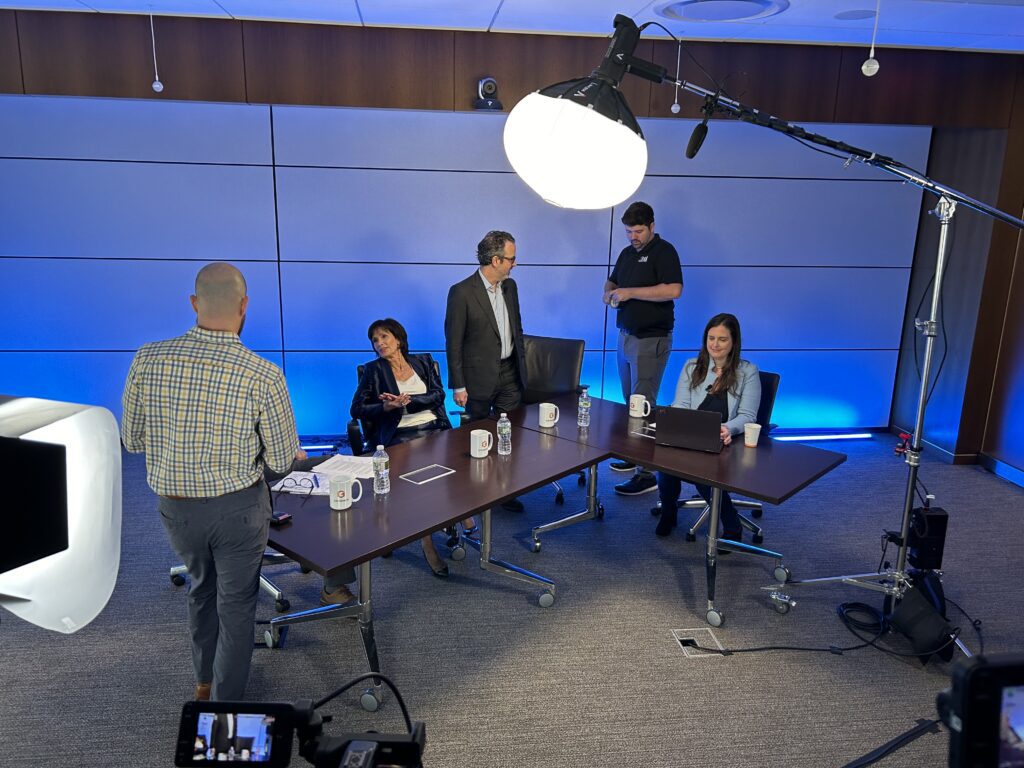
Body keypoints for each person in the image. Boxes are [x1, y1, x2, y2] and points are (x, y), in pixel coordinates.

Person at [121, 262, 301, 702]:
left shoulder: (147, 357)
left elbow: (131, 440)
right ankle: (224, 706)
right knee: (236, 605)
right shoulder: (263, 373)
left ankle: (204, 682)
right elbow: (281, 459)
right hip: (238, 509)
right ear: (244, 306)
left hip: (176, 509)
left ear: (194, 303)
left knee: (202, 587)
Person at [351, 318, 474, 576]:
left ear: (398, 339)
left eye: (384, 337)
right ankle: (428, 542)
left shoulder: (423, 362)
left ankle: (459, 513)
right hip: (399, 435)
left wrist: (407, 402)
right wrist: (386, 406)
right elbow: (357, 409)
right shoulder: (374, 370)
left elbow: (438, 395)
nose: (379, 343)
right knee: (425, 482)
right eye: (374, 340)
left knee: (460, 465)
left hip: (434, 427)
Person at [654, 313, 760, 541]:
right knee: (665, 458)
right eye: (711, 338)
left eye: (722, 339)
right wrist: (684, 427)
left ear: (733, 342)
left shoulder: (748, 371)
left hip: (726, 439)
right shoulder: (692, 366)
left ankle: (731, 524)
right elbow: (681, 404)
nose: (715, 344)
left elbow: (747, 416)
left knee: (704, 470)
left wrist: (728, 429)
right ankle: (669, 511)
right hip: (692, 433)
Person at [603, 201, 683, 496]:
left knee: (643, 404)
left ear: (652, 226)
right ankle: (633, 454)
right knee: (629, 401)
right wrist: (608, 291)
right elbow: (613, 279)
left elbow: (674, 289)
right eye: (628, 231)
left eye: (638, 231)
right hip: (625, 336)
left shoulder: (665, 252)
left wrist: (629, 293)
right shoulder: (627, 253)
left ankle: (647, 472)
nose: (633, 236)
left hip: (651, 338)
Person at [445, 230, 528, 512]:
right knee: (475, 437)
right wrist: (458, 384)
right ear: (495, 260)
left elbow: (516, 327)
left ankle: (505, 492)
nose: (515, 264)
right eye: (511, 258)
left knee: (509, 435)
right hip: (476, 379)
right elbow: (453, 341)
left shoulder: (511, 287)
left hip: (509, 373)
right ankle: (474, 495)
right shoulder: (461, 292)